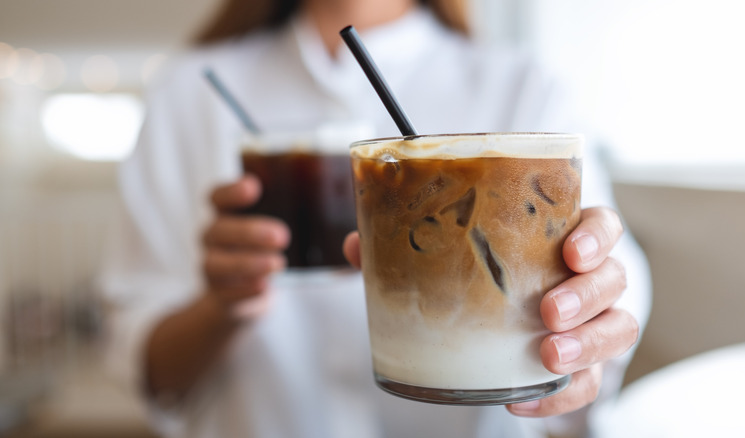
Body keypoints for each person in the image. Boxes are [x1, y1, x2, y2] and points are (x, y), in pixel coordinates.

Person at [100, 0, 652, 437]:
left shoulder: (525, 86)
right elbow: (143, 362)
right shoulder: (190, 90)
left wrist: (588, 325)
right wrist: (222, 304)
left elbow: (605, 275)